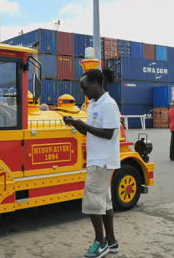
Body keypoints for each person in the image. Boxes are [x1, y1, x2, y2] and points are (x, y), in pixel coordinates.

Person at [63, 68, 120, 258]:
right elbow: (89, 131)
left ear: (95, 84)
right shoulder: (94, 104)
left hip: (102, 161)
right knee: (105, 203)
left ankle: (100, 242)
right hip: (96, 159)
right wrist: (75, 123)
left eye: (84, 87)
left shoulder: (108, 105)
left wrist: (81, 124)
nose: (83, 91)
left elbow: (108, 133)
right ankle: (111, 242)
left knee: (92, 203)